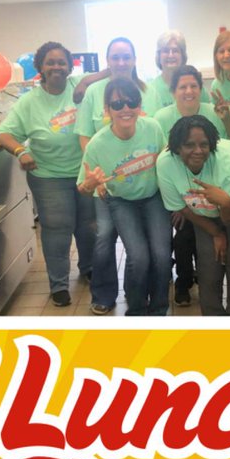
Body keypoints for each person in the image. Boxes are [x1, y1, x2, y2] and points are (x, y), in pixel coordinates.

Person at [0, 42, 92, 307]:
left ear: (70, 66)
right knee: (58, 229)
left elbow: (109, 72)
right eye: (50, 62)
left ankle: (89, 268)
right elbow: (3, 134)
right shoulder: (29, 102)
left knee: (88, 227)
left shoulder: (79, 86)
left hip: (85, 173)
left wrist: (88, 80)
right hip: (49, 177)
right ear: (40, 67)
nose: (56, 67)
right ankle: (59, 284)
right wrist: (20, 151)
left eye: (62, 62)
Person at [157, 115, 230, 315]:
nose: (198, 151)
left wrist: (225, 202)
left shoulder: (225, 162)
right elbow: (181, 207)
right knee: (209, 264)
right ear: (176, 147)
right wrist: (216, 232)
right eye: (189, 145)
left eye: (204, 144)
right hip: (206, 207)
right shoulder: (165, 164)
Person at [79, 78, 170, 315]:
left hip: (153, 197)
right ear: (107, 110)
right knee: (138, 257)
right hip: (121, 201)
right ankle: (137, 310)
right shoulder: (97, 144)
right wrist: (90, 183)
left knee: (161, 256)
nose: (126, 109)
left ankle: (159, 309)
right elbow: (82, 187)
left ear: (140, 105)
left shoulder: (153, 128)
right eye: (117, 104)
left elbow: (166, 163)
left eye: (132, 102)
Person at [73, 37, 143, 315]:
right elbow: (84, 136)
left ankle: (139, 291)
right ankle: (103, 293)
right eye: (116, 57)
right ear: (108, 61)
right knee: (104, 235)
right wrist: (97, 177)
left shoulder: (145, 89)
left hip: (141, 182)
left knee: (140, 243)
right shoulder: (94, 92)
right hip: (104, 183)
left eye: (126, 57)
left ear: (135, 60)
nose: (121, 62)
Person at [152, 66, 230, 308]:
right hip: (176, 193)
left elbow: (225, 154)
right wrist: (178, 205)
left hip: (210, 191)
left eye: (193, 86)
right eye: (182, 87)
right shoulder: (161, 118)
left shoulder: (213, 113)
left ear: (200, 89)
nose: (188, 91)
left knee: (205, 235)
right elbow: (161, 162)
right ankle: (183, 281)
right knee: (183, 236)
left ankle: (205, 279)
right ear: (173, 91)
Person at [144, 30, 188, 115]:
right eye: (166, 51)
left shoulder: (194, 87)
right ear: (159, 56)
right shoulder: (149, 90)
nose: (170, 55)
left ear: (183, 56)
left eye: (175, 51)